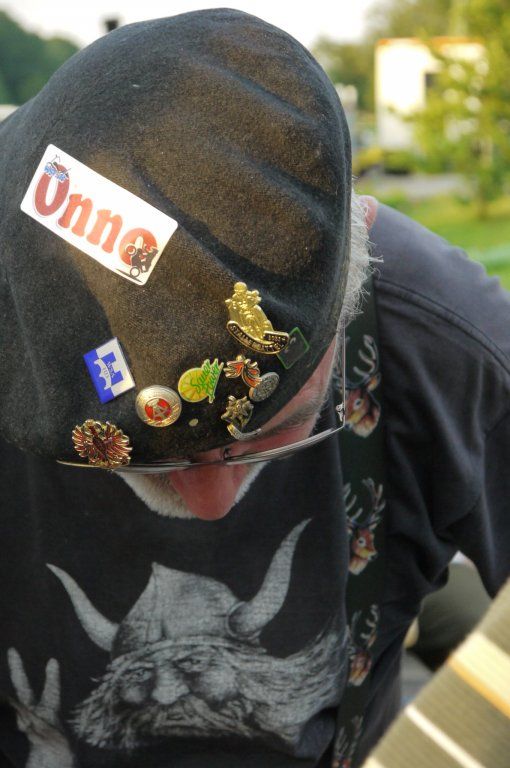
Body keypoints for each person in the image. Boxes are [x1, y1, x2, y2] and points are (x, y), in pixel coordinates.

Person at [0, 10, 509, 768]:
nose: (212, 504)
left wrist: (444, 750)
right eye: (146, 459)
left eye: (274, 430)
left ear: (357, 269)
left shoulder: (448, 344)